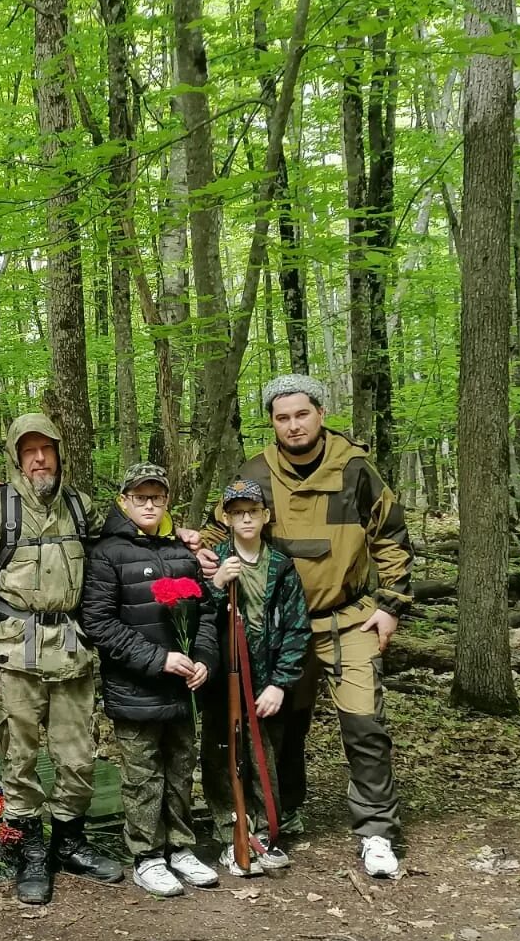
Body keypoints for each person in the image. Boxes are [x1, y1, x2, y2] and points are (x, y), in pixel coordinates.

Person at [189, 375, 413, 878]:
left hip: (348, 619)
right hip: (275, 625)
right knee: (280, 724)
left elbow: (391, 535)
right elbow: (218, 528)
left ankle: (376, 831)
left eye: (302, 414)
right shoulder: (256, 472)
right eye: (282, 417)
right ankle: (281, 811)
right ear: (272, 422)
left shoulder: (354, 469)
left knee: (364, 725)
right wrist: (195, 546)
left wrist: (392, 604)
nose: (293, 426)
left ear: (320, 413)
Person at [0, 413, 124, 905]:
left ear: (59, 452)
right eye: (29, 451)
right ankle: (30, 850)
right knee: (19, 758)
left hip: (72, 652)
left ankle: (69, 843)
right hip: (13, 657)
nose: (39, 459)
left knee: (78, 756)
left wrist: (181, 537)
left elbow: (122, 544)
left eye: (46, 448)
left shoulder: (79, 507)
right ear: (15, 457)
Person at [81, 462, 220, 898]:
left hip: (184, 687)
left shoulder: (182, 552)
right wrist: (158, 659)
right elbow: (98, 622)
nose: (148, 504)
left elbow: (208, 613)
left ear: (166, 502)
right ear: (124, 501)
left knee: (181, 768)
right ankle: (146, 855)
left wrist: (202, 659)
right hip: (137, 686)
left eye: (156, 497)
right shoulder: (107, 553)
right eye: (139, 497)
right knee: (143, 774)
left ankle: (180, 846)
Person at [201, 478, 310, 877]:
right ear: (226, 519)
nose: (245, 519)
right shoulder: (214, 560)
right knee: (220, 755)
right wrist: (215, 586)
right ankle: (231, 831)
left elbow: (298, 629)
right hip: (221, 682)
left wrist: (280, 682)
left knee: (264, 755)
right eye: (237, 513)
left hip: (265, 682)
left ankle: (263, 833)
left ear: (264, 516)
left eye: (252, 512)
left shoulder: (281, 567)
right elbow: (197, 620)